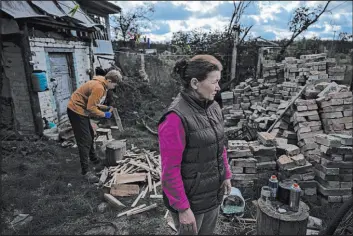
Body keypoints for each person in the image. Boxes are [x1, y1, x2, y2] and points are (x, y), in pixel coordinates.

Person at [158, 55, 232, 235]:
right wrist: (183, 208)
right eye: (214, 82)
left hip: (212, 193)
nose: (218, 87)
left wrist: (226, 174)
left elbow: (218, 144)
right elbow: (170, 170)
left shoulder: (213, 107)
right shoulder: (175, 118)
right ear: (194, 83)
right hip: (191, 201)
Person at [67, 70, 122, 182]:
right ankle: (85, 172)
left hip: (81, 109)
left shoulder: (102, 82)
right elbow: (91, 108)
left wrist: (103, 107)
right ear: (109, 80)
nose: (114, 87)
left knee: (91, 135)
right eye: (114, 84)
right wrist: (104, 114)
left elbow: (92, 101)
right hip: (76, 111)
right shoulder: (99, 87)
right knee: (84, 140)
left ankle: (94, 159)